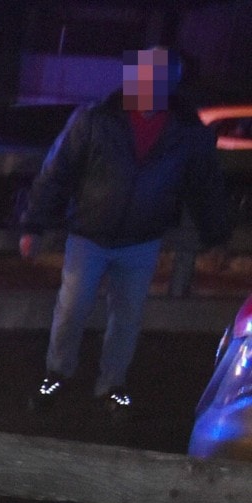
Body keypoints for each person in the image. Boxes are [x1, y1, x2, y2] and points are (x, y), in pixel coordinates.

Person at [23, 47, 230, 421]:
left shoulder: (186, 131)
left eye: (160, 77)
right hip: (90, 235)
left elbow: (206, 186)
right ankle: (56, 373)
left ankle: (112, 385)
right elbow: (58, 171)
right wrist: (34, 225)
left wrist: (216, 238)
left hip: (141, 240)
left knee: (128, 317)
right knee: (71, 309)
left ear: (172, 82)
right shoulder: (94, 118)